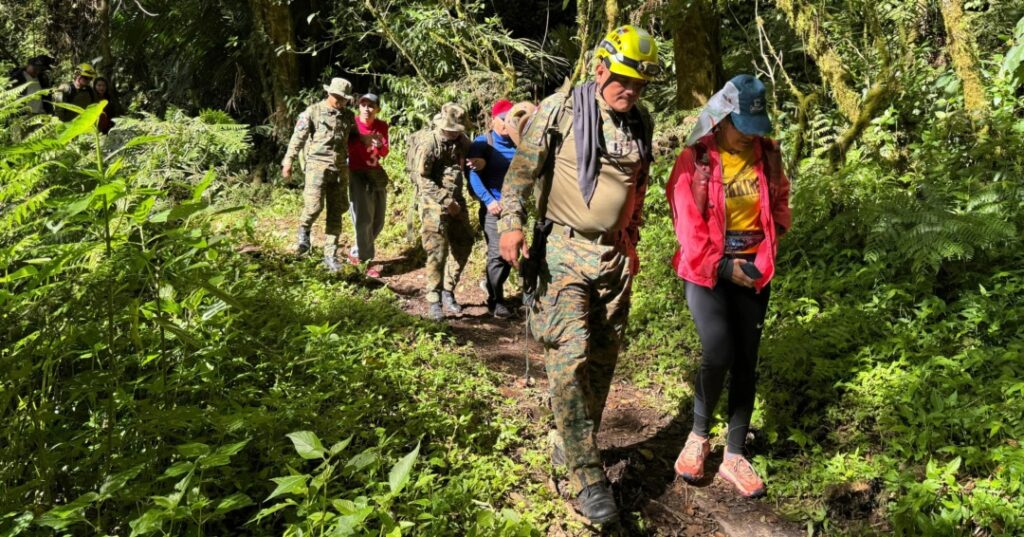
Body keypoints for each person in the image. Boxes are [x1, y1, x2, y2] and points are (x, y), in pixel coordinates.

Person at [497, 25, 659, 524]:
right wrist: (511, 224)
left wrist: (631, 238)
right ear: (600, 68)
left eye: (639, 83)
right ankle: (588, 479)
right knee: (569, 359)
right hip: (562, 252)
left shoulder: (640, 122)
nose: (629, 90)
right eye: (623, 79)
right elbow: (521, 173)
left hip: (613, 258)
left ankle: (573, 439)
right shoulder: (562, 109)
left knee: (603, 362)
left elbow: (639, 184)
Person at [666, 74, 791, 499]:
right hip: (705, 271)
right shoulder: (696, 159)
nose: (749, 138)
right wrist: (722, 266)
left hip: (754, 267)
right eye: (743, 128)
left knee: (747, 361)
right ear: (722, 118)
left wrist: (764, 251)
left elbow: (779, 203)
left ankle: (734, 455)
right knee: (718, 350)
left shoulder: (767, 155)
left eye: (756, 129)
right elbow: (688, 223)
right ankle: (699, 436)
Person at [282, 77, 364, 271]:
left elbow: (356, 138)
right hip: (316, 167)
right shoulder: (313, 112)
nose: (339, 101)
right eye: (336, 97)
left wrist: (369, 140)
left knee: (336, 212)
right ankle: (304, 233)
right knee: (314, 207)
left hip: (339, 169)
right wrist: (288, 161)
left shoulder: (348, 116)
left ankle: (330, 255)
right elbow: (298, 138)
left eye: (343, 98)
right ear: (329, 94)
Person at [412, 102, 474, 321]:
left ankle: (448, 289)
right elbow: (423, 179)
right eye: (452, 130)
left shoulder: (463, 142)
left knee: (464, 242)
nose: (454, 134)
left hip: (457, 200)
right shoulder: (430, 143)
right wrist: (446, 201)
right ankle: (433, 299)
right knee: (436, 251)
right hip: (433, 204)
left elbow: (469, 166)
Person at [467, 99, 518, 318]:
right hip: (493, 208)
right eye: (503, 119)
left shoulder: (520, 143)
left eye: (511, 120)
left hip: (514, 208)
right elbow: (473, 176)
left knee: (511, 253)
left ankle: (491, 286)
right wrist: (489, 201)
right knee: (497, 253)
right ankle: (495, 301)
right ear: (493, 119)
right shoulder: (483, 143)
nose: (507, 124)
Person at [346, 93, 389, 277]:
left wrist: (379, 145)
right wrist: (360, 140)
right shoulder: (352, 124)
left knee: (378, 220)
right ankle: (365, 261)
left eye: (371, 105)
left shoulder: (381, 126)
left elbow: (385, 152)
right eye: (363, 104)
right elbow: (344, 147)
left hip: (375, 174)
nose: (366, 109)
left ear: (377, 109)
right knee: (363, 219)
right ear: (359, 107)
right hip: (356, 173)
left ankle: (357, 251)